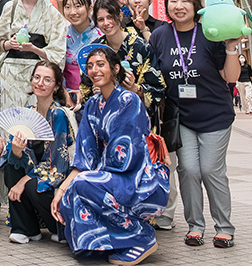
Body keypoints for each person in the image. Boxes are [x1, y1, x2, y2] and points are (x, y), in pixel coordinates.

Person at [148, 0, 246, 248]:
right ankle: (195, 226)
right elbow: (153, 76)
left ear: (196, 5)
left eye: (185, 1)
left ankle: (224, 227)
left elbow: (230, 77)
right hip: (181, 117)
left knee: (211, 170)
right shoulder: (160, 36)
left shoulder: (210, 33)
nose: (178, 6)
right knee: (188, 170)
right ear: (166, 5)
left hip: (215, 114)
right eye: (173, 1)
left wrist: (231, 47)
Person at [51, 45, 169, 265]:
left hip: (136, 176)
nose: (94, 70)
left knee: (84, 183)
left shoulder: (129, 100)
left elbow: (126, 153)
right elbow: (85, 156)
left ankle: (141, 237)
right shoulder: (92, 105)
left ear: (115, 69)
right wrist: (62, 189)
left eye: (101, 64)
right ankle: (101, 242)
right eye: (90, 66)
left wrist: (86, 178)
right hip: (108, 175)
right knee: (71, 191)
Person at [1, 60, 73, 244]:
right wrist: (16, 152)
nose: (40, 83)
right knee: (11, 168)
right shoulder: (28, 113)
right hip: (35, 179)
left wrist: (24, 180)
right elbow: (13, 154)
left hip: (56, 182)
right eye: (37, 77)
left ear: (56, 86)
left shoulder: (59, 115)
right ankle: (26, 228)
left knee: (32, 184)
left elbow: (58, 165)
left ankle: (58, 227)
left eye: (47, 79)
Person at [0, 0, 67, 111]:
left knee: (36, 119)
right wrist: (9, 44)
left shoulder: (52, 13)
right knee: (10, 119)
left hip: (38, 73)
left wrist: (35, 49)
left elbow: (58, 52)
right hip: (11, 72)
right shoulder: (11, 7)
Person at [86, 0, 166, 124]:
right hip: (106, 121)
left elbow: (158, 87)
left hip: (138, 120)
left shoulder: (141, 47)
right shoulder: (95, 49)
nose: (106, 23)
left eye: (110, 17)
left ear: (120, 15)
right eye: (101, 20)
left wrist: (136, 88)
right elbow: (85, 87)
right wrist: (96, 92)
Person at [62, 0, 98, 94]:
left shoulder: (101, 36)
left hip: (94, 93)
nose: (72, 12)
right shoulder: (61, 35)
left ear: (89, 8)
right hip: (67, 94)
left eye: (78, 6)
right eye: (67, 7)